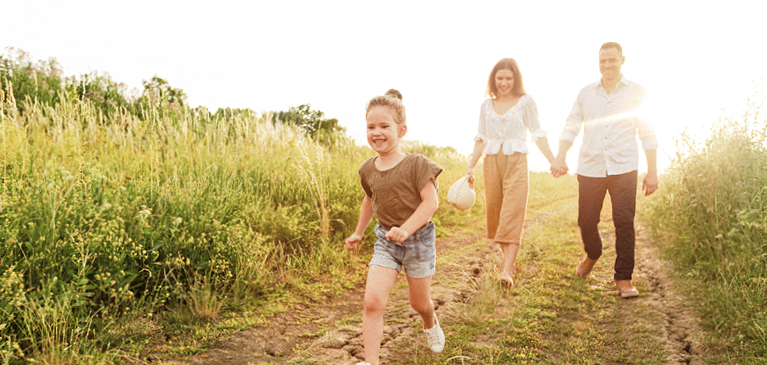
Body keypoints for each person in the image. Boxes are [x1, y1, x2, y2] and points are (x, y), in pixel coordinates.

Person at [550, 42, 659, 298]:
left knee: (624, 222)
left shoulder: (637, 92)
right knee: (586, 221)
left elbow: (647, 132)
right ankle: (593, 253)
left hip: (624, 167)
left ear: (623, 60)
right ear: (598, 63)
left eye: (612, 60)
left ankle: (623, 278)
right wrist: (560, 155)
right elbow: (571, 125)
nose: (607, 65)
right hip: (590, 166)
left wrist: (652, 170)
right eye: (603, 61)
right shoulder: (586, 93)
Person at [345, 89, 445, 365]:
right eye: (370, 126)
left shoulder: (417, 164)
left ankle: (430, 321)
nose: (376, 132)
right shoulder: (368, 168)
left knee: (419, 304)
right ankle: (371, 362)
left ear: (401, 130)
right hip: (386, 240)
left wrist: (407, 228)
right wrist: (358, 231)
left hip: (418, 241)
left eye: (384, 126)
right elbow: (370, 199)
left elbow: (430, 202)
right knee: (373, 302)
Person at [466, 58, 556, 287]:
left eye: (508, 78)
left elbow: (537, 132)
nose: (504, 82)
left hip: (516, 160)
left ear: (515, 79)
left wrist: (553, 160)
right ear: (493, 80)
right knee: (496, 212)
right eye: (500, 78)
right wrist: (470, 167)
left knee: (512, 211)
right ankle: (509, 263)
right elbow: (481, 138)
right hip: (492, 161)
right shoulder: (486, 106)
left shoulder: (526, 102)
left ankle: (507, 270)